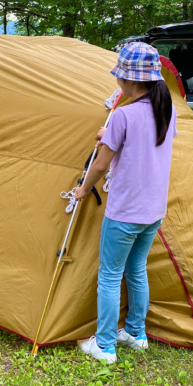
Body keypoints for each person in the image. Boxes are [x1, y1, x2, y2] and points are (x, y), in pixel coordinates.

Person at [73, 42, 177, 364]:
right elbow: (143, 141)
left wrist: (82, 189)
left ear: (131, 81)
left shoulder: (123, 115)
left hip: (125, 213)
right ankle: (135, 332)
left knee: (109, 274)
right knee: (136, 270)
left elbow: (101, 164)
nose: (118, 82)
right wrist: (110, 131)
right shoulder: (166, 110)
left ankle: (104, 346)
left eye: (121, 77)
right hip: (153, 211)